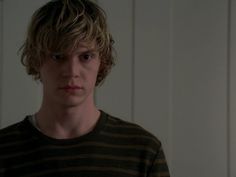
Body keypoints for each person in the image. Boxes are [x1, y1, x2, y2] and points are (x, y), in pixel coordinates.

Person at [0, 0, 170, 176]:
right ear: (36, 59)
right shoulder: (4, 150)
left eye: (86, 56)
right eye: (58, 56)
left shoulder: (143, 151)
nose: (72, 72)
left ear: (101, 62)